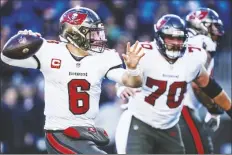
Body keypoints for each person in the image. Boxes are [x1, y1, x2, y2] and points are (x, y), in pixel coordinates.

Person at [1, 7, 144, 154]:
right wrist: (22, 40)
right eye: (92, 33)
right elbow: (6, 57)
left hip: (86, 132)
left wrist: (133, 69)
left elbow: (133, 82)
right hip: (59, 132)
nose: (99, 37)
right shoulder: (50, 51)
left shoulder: (103, 58)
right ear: (75, 35)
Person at [115, 14, 232, 154]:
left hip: (170, 125)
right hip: (141, 121)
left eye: (179, 39)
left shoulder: (193, 57)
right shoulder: (144, 53)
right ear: (159, 37)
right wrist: (124, 84)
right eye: (170, 38)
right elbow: (124, 78)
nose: (175, 43)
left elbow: (212, 89)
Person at [178, 8, 225, 154]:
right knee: (203, 150)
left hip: (164, 108)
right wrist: (214, 109)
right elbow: (197, 83)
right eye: (213, 26)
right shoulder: (203, 42)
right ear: (202, 25)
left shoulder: (181, 40)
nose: (216, 30)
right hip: (181, 108)